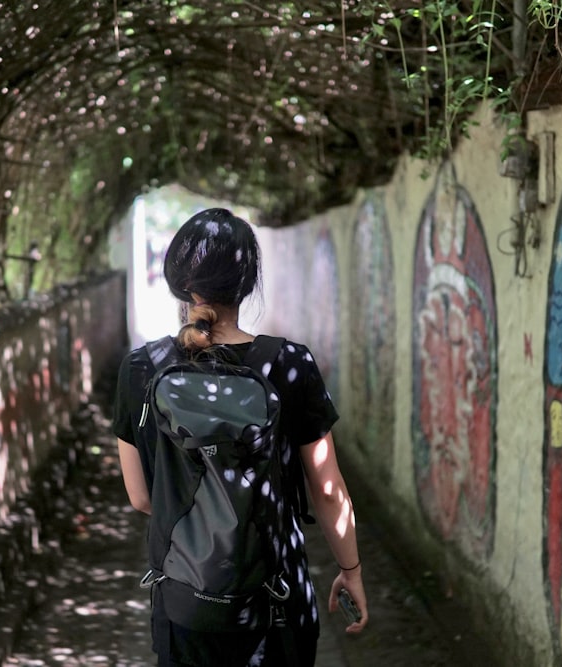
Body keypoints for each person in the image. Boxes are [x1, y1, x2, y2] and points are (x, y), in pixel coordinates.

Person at [112, 207, 368, 666]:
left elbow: (141, 497)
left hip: (185, 601)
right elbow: (328, 492)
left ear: (180, 284)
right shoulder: (290, 364)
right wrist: (350, 570)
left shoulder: (141, 369)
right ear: (248, 283)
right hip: (277, 598)